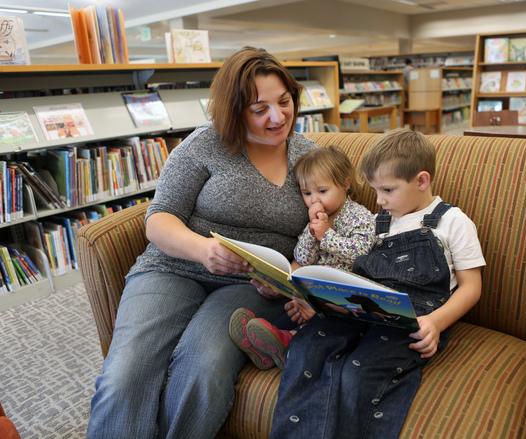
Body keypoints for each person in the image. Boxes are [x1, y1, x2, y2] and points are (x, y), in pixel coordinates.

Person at [86, 46, 319, 439]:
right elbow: (158, 219)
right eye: (259, 109)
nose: (278, 117)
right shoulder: (204, 144)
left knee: (203, 367)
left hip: (250, 284)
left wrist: (290, 274)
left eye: (283, 102)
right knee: (126, 373)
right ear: (234, 109)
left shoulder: (310, 157)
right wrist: (202, 250)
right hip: (172, 267)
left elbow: (326, 230)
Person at [270, 128, 486, 439]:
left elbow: (471, 287)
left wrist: (436, 324)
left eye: (387, 190)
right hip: (366, 309)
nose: (379, 199)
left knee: (357, 373)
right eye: (375, 190)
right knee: (307, 349)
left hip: (416, 318)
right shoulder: (379, 223)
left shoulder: (452, 222)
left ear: (421, 181)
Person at [229, 145, 376, 369]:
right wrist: (311, 233)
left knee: (315, 316)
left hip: (340, 294)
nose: (314, 200)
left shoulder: (359, 216)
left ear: (346, 183)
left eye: (322, 191)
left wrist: (326, 236)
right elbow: (303, 257)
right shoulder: (315, 220)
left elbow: (361, 253)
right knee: (291, 309)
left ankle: (285, 342)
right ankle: (267, 341)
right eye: (307, 193)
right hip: (311, 289)